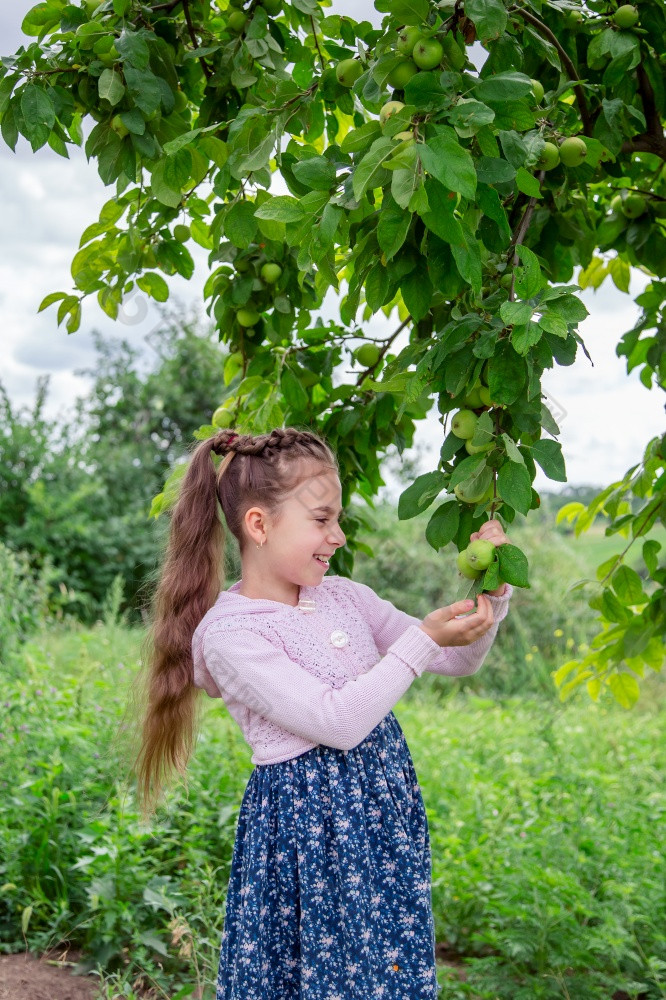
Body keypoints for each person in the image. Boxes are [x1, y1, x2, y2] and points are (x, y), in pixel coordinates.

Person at [134, 425, 512, 1000]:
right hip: (310, 832)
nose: (336, 535)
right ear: (258, 524)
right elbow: (337, 723)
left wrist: (493, 597)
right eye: (320, 519)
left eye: (337, 518)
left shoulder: (343, 596)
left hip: (379, 817)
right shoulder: (231, 635)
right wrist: (422, 640)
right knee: (319, 975)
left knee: (382, 972)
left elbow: (456, 660)